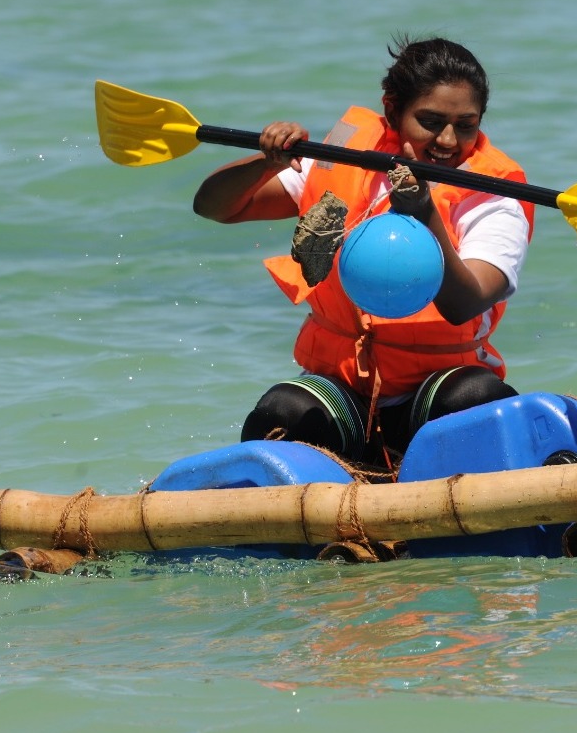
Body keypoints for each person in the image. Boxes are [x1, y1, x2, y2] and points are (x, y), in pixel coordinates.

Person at [193, 36, 533, 468]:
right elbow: (216, 207)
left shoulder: (495, 193)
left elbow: (463, 304)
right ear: (392, 110)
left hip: (436, 393)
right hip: (345, 393)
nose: (448, 140)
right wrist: (267, 161)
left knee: (475, 398)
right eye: (430, 121)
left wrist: (424, 210)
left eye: (466, 124)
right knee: (280, 413)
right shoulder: (347, 152)